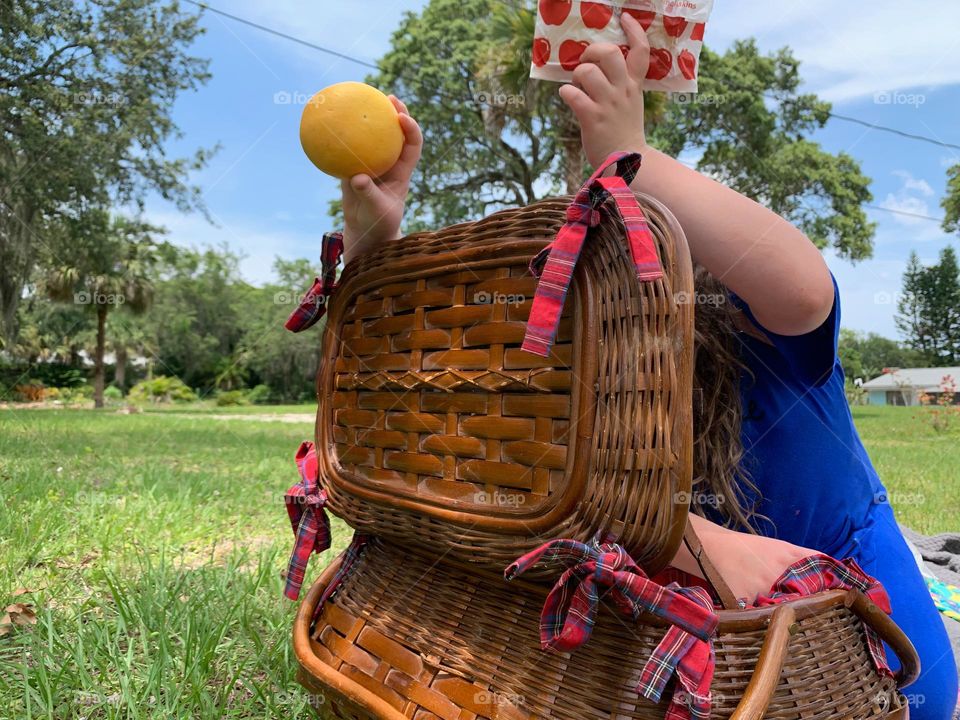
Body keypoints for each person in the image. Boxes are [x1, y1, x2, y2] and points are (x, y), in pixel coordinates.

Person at [331, 13, 957, 718]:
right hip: (670, 575)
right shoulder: (570, 380)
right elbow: (434, 404)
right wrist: (374, 249)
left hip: (841, 546)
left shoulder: (758, 334)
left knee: (926, 697)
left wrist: (631, 159)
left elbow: (802, 287)